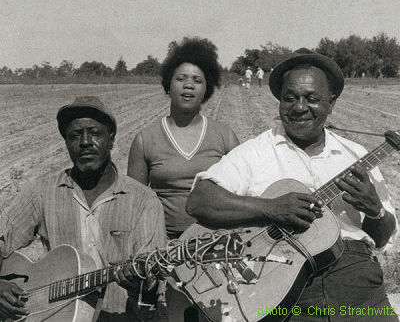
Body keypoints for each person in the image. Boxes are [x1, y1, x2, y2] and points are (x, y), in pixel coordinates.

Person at [186, 48, 398, 321]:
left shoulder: (357, 156)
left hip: (357, 285)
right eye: (290, 98)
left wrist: (375, 211)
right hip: (285, 286)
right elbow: (199, 201)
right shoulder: (255, 152)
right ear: (279, 101)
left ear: (331, 103)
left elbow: (382, 239)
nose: (299, 107)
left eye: (312, 98)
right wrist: (270, 207)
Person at [0, 96, 167, 321]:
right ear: (66, 143)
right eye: (75, 135)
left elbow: (151, 291)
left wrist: (142, 285)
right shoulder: (42, 192)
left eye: (95, 133)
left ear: (112, 139)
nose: (85, 142)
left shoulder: (144, 201)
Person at [127, 37, 239, 321]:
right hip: (166, 248)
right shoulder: (145, 139)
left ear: (207, 88)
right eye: (181, 78)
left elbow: (242, 194)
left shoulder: (224, 136)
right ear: (168, 84)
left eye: (197, 80)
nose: (188, 85)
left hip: (216, 244)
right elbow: (134, 206)